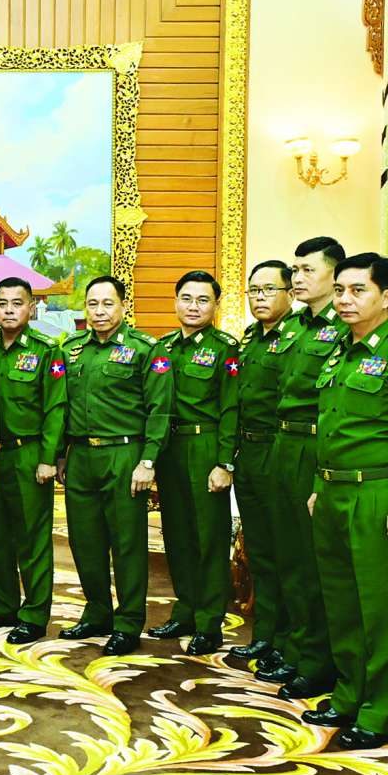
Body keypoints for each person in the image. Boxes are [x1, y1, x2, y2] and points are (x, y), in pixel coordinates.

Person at [304, 253, 388, 749]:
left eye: (358, 290)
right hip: (333, 491)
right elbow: (331, 429)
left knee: (380, 610)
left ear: (386, 297)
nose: (345, 299)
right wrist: (319, 486)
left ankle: (381, 713)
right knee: (341, 604)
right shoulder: (338, 354)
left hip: (378, 496)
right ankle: (348, 695)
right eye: (340, 289)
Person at [57, 275, 173, 656]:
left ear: (124, 306)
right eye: (93, 304)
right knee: (84, 541)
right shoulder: (72, 350)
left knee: (127, 544)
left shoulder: (145, 349)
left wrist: (148, 460)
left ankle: (128, 622)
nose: (100, 311)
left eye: (108, 303)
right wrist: (59, 454)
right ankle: (97, 612)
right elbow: (60, 406)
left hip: (125, 456)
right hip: (80, 457)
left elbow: (159, 410)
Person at [263, 236, 347, 699]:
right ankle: (295, 648)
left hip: (315, 446)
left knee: (314, 563)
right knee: (288, 556)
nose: (297, 278)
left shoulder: (343, 328)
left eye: (308, 270)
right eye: (294, 270)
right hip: (283, 443)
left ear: (335, 275)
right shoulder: (293, 326)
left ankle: (318, 661)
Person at [0, 277, 66, 644]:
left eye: (17, 303)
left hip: (28, 455)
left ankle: (35, 614)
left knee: (32, 539)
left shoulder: (46, 351)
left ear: (31, 308)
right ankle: (3, 604)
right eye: (2, 303)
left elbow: (55, 408)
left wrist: (48, 458)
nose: (9, 310)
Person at [148, 271, 239, 655]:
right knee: (177, 536)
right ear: (175, 301)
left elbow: (232, 408)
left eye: (203, 300)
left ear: (216, 305)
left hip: (206, 448)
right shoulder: (164, 347)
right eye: (186, 298)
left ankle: (209, 622)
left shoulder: (225, 349)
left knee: (208, 540)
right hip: (171, 450)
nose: (193, 306)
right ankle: (184, 610)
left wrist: (225, 462)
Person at [227, 261, 297, 669]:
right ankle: (266, 635)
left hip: (279, 450)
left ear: (290, 293)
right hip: (249, 453)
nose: (259, 297)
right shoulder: (250, 339)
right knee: (261, 553)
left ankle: (288, 641)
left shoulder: (297, 338)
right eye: (253, 290)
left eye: (269, 289)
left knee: (287, 554)